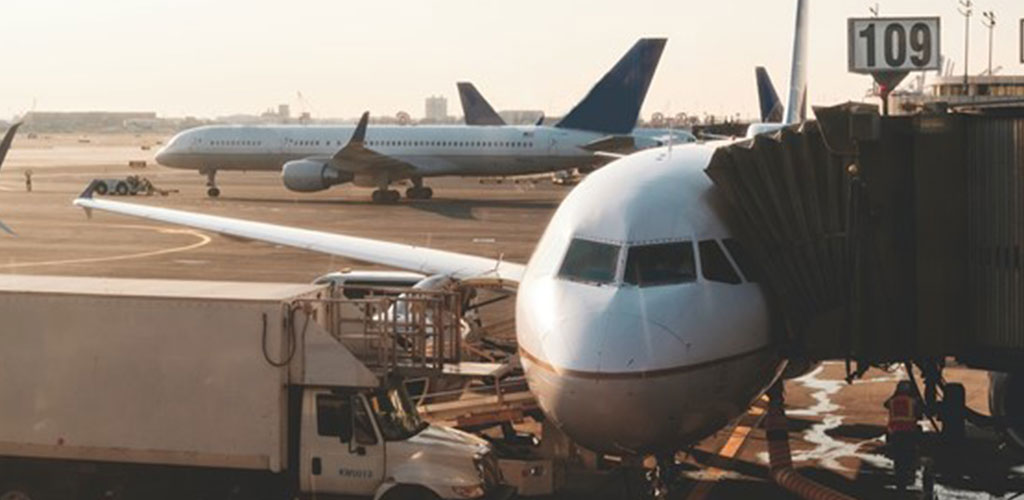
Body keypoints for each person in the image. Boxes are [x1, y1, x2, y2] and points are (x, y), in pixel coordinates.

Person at [885, 380, 923, 489]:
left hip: (895, 433)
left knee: (898, 458)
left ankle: (899, 480)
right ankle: (908, 476)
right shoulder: (913, 401)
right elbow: (920, 409)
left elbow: (886, 404)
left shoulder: (892, 401)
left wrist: (895, 395)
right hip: (909, 432)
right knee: (909, 455)